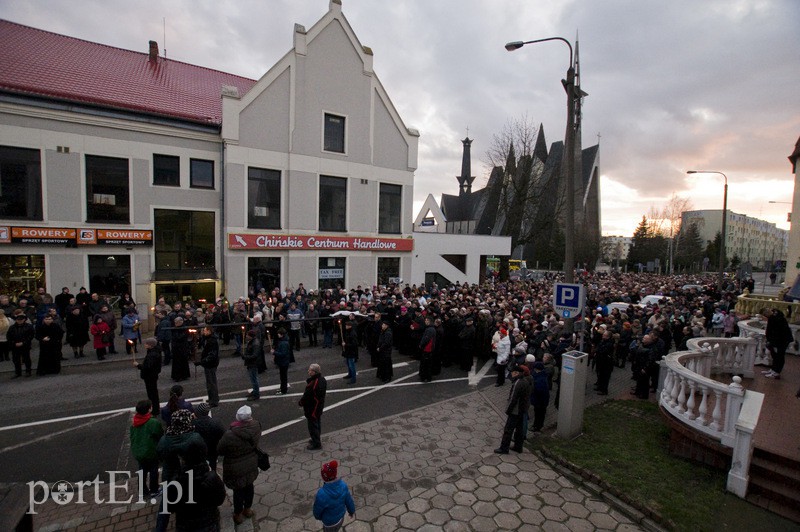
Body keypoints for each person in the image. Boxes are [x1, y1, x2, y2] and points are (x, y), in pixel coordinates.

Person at [156, 409, 205, 532]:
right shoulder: (194, 437)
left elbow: (160, 455)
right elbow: (203, 452)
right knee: (193, 500)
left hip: (170, 475)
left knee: (165, 506)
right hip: (191, 474)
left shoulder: (164, 440)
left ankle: (160, 529)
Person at [165, 437, 226, 532]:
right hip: (209, 524)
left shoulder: (176, 482)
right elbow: (220, 500)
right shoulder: (212, 478)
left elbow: (170, 507)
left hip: (185, 526)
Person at [217, 405, 262, 525]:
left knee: (238, 491)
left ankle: (238, 513)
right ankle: (247, 509)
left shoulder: (230, 434)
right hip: (251, 462)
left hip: (235, 467)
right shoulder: (256, 426)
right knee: (249, 486)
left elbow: (220, 450)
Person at [129, 399, 164, 498]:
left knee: (142, 470)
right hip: (150, 451)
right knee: (153, 470)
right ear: (149, 409)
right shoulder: (153, 422)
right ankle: (154, 490)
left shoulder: (134, 423)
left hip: (139, 452)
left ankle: (143, 490)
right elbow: (160, 435)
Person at [494, 364, 531, 454]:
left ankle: (504, 448)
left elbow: (513, 398)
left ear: (516, 373)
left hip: (515, 411)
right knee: (519, 429)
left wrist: (508, 410)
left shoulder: (517, 383)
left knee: (508, 429)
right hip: (522, 410)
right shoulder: (525, 381)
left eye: (512, 372)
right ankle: (518, 447)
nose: (511, 374)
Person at [313, 459, 356, 531]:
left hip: (329, 523)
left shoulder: (321, 494)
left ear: (324, 477)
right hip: (340, 518)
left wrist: (318, 517)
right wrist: (351, 511)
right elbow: (349, 501)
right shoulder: (343, 485)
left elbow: (317, 510)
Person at [300, 363, 327, 450]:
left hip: (312, 409)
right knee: (317, 423)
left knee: (312, 426)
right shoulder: (322, 380)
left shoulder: (312, 384)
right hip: (319, 407)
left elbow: (306, 397)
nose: (308, 371)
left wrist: (301, 403)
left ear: (314, 372)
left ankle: (316, 443)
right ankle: (316, 439)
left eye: (310, 370)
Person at [193, 402, 225, 471]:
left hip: (198, 451)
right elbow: (223, 436)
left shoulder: (193, 424)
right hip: (213, 450)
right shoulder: (216, 423)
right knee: (212, 465)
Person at [763, 307, 793, 380]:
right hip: (779, 340)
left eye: (765, 315)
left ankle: (776, 372)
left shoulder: (775, 318)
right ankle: (773, 369)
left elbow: (775, 331)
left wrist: (771, 341)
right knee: (775, 355)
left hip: (781, 340)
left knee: (779, 356)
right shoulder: (775, 316)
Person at [135, 338, 162, 415]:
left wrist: (138, 365)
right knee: (153, 393)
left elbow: (148, 367)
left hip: (150, 376)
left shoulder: (152, 355)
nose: (145, 345)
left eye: (146, 344)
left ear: (151, 345)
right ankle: (155, 408)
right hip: (152, 375)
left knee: (152, 394)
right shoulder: (153, 352)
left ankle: (155, 410)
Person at [197, 326, 220, 406]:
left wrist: (202, 361)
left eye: (205, 331)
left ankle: (214, 400)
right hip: (209, 363)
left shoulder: (212, 341)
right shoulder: (208, 339)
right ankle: (212, 398)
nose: (203, 332)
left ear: (209, 331)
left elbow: (212, 355)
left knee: (211, 383)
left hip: (210, 364)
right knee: (210, 382)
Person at [8, 312, 34, 377]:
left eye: (21, 320)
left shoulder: (29, 326)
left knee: (26, 359)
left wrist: (23, 343)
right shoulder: (12, 327)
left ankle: (28, 371)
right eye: (18, 320)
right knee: (16, 360)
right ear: (16, 320)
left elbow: (31, 336)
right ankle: (17, 372)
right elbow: (9, 336)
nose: (19, 321)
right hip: (15, 346)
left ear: (24, 320)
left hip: (25, 345)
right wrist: (14, 343)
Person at [530, 361, 550, 434]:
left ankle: (538, 427)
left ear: (537, 369)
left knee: (540, 414)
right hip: (539, 400)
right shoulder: (541, 375)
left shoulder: (541, 380)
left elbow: (539, 391)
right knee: (537, 414)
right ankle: (536, 425)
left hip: (540, 402)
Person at [170, 317, 191, 382]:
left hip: (182, 348)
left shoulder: (184, 329)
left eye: (176, 322)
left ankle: (182, 375)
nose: (175, 323)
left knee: (182, 362)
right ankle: (177, 376)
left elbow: (180, 337)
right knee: (176, 362)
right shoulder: (175, 328)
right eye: (175, 322)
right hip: (176, 348)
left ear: (181, 322)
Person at [243, 329, 261, 401]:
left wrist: (246, 357)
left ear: (251, 336)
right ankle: (255, 391)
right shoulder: (252, 342)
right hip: (251, 363)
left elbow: (255, 355)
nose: (246, 336)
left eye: (247, 335)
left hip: (253, 363)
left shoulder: (255, 344)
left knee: (254, 379)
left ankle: (256, 394)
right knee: (253, 378)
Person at [272, 328, 291, 395]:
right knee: (282, 377)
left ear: (282, 334)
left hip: (283, 362)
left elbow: (283, 354)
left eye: (279, 334)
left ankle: (283, 390)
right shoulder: (283, 341)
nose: (278, 335)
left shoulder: (283, 343)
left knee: (283, 377)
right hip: (283, 362)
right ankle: (282, 388)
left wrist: (274, 352)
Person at [418, 316, 436, 382]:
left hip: (427, 349)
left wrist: (421, 344)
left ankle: (425, 376)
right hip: (429, 348)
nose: (425, 321)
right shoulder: (431, 328)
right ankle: (427, 376)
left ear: (429, 321)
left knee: (425, 364)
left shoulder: (429, 329)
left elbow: (426, 339)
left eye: (426, 320)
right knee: (428, 364)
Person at [341, 320, 359, 384]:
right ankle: (350, 374)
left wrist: (345, 344)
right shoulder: (348, 332)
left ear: (350, 326)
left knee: (351, 365)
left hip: (351, 352)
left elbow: (354, 344)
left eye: (347, 325)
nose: (346, 326)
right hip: (348, 351)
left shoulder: (352, 333)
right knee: (348, 364)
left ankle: (353, 379)